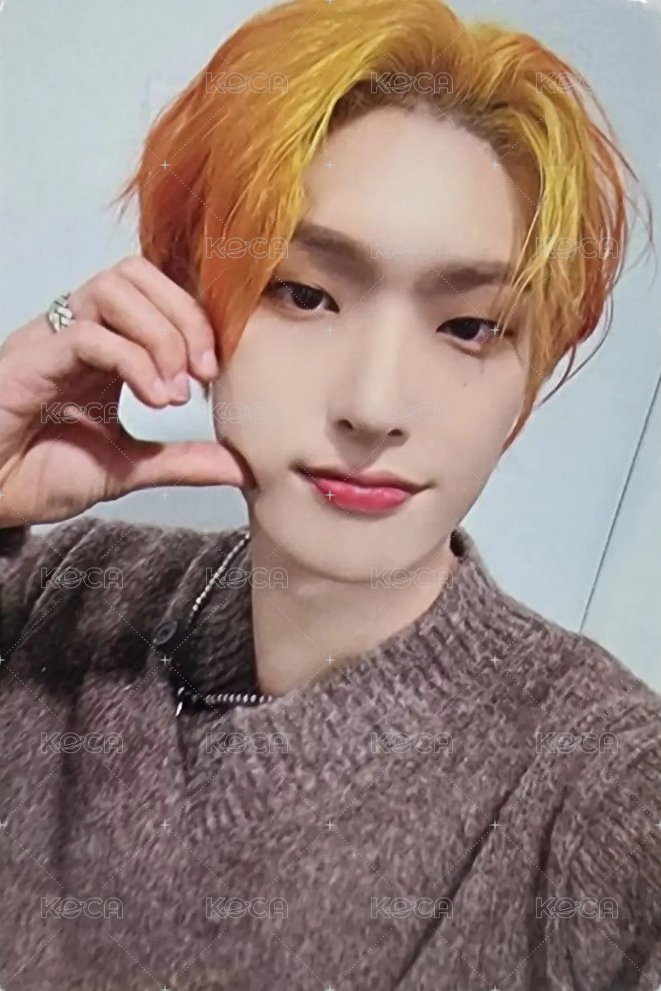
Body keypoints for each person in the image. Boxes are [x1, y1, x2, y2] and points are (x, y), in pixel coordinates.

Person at [1, 0, 659, 988]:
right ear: (187, 299)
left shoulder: (603, 797)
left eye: (470, 326)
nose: (373, 405)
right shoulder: (64, 601)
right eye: (304, 293)